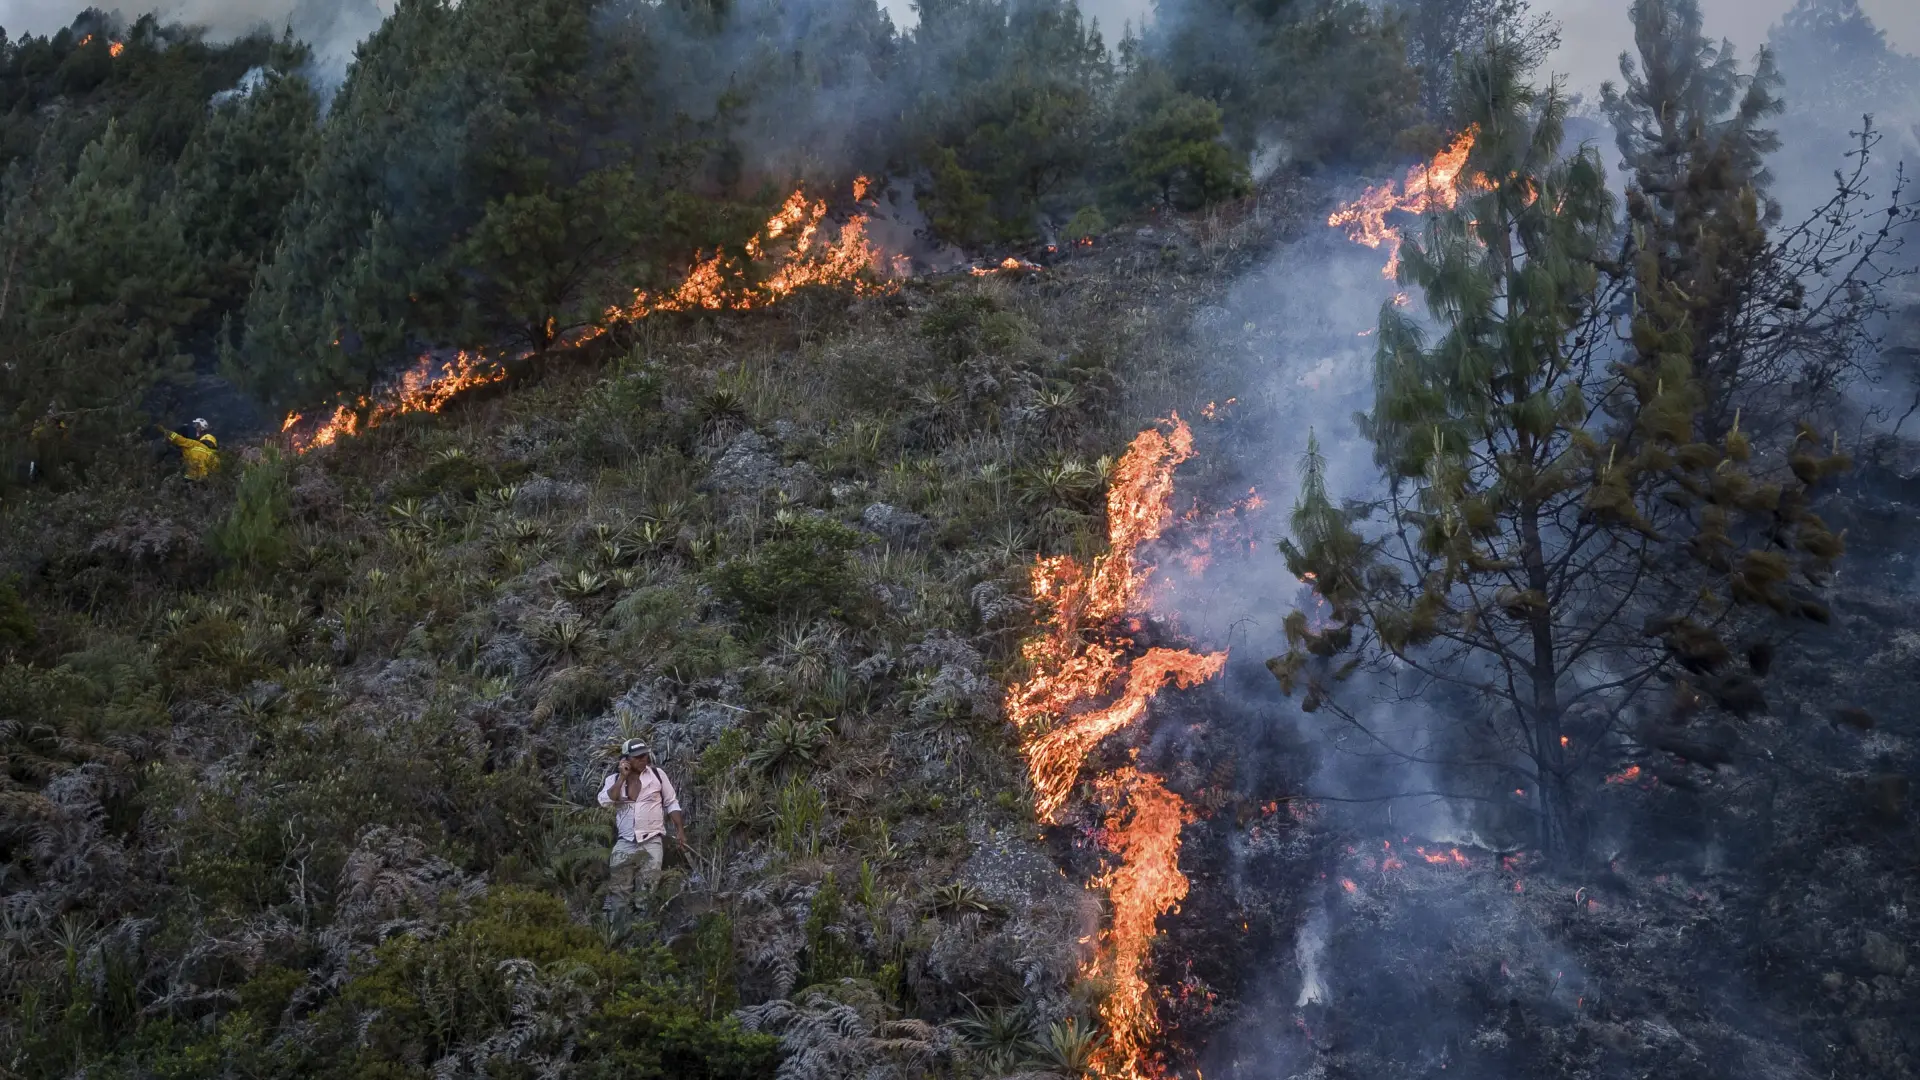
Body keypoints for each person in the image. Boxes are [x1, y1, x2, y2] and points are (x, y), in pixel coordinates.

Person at [597, 739, 685, 917]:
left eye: (645, 755)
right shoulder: (613, 780)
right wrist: (622, 777)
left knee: (647, 890)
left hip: (651, 841)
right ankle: (618, 930)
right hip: (625, 842)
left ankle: (643, 930)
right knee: (619, 890)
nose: (643, 759)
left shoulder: (657, 775)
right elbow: (605, 801)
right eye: (637, 757)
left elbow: (671, 802)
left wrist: (680, 830)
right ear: (626, 759)